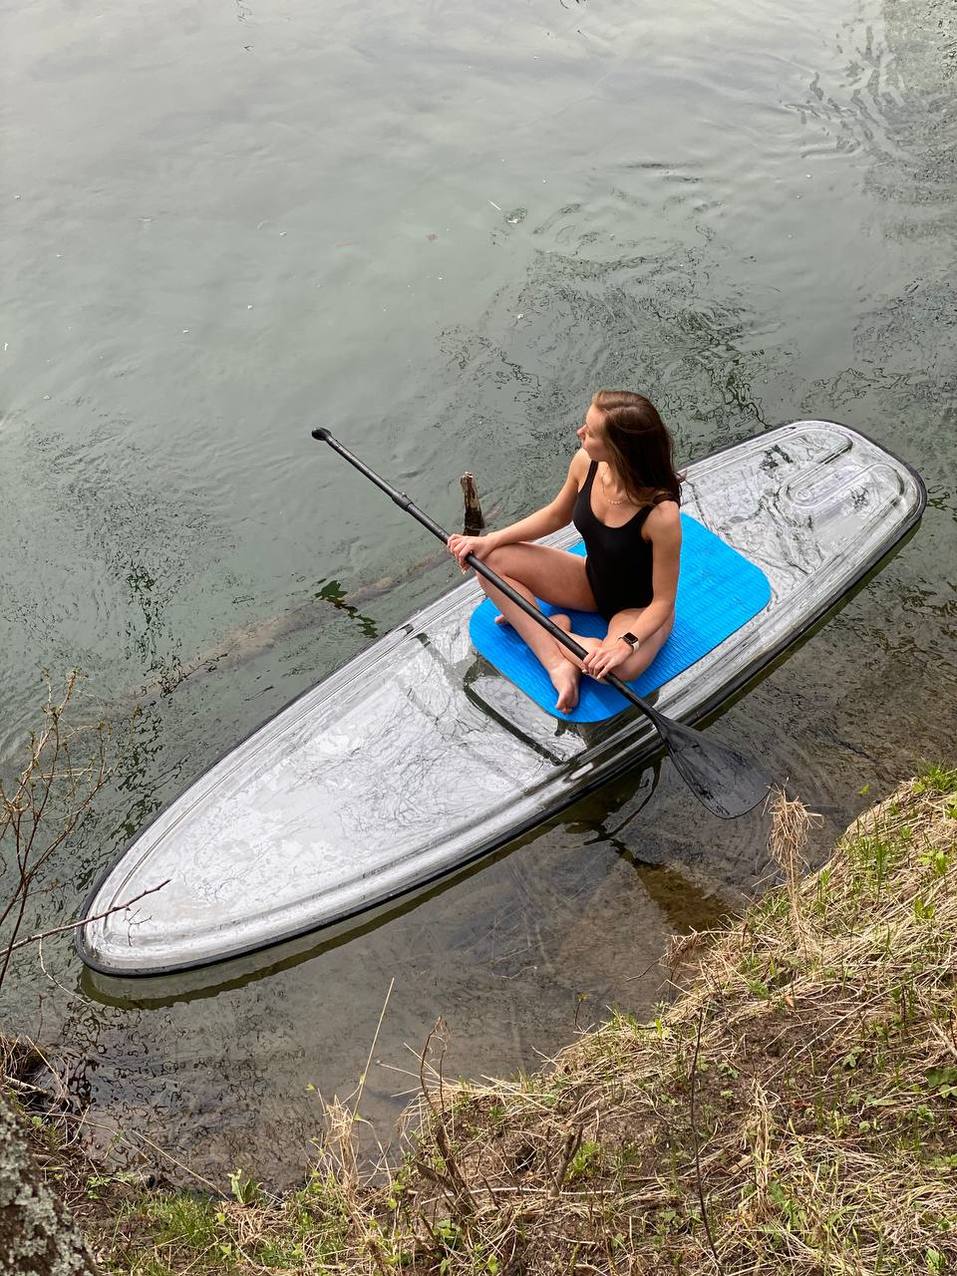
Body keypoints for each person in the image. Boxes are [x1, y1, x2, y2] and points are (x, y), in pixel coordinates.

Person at [447, 390, 682, 714]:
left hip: (638, 608)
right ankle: (557, 662)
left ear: (619, 448)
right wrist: (490, 540)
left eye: (591, 432)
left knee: (616, 670)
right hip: (590, 580)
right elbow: (556, 514)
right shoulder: (586, 463)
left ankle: (538, 624)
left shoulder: (661, 514)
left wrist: (627, 644)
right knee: (488, 561)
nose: (580, 433)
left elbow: (663, 602)